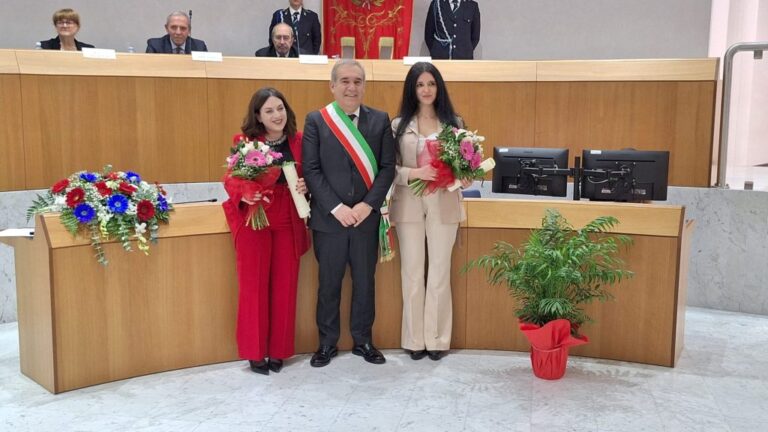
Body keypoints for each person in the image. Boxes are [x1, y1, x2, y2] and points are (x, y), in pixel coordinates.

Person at [302, 60, 396, 367]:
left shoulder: (380, 120)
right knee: (328, 283)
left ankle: (363, 340)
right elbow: (312, 170)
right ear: (332, 86)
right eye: (344, 81)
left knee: (365, 283)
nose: (351, 87)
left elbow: (387, 168)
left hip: (366, 219)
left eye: (357, 81)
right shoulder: (317, 120)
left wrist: (366, 205)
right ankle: (327, 343)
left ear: (364, 86)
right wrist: (338, 208)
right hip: (330, 221)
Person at [222, 87, 310, 375]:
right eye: (269, 110)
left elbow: (312, 173)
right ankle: (255, 351)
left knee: (286, 284)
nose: (277, 115)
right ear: (258, 115)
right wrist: (246, 190)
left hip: (288, 216)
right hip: (256, 217)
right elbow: (230, 178)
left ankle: (279, 351)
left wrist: (306, 185)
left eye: (280, 108)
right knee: (253, 284)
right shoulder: (245, 142)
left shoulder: (299, 141)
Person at [391, 62, 471, 361]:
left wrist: (466, 176)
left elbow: (467, 166)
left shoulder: (455, 124)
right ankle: (414, 339)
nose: (426, 90)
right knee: (412, 273)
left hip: (444, 203)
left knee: (439, 272)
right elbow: (390, 170)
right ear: (412, 89)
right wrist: (415, 173)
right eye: (420, 84)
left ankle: (437, 340)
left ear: (439, 88)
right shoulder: (398, 125)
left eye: (431, 84)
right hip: (409, 203)